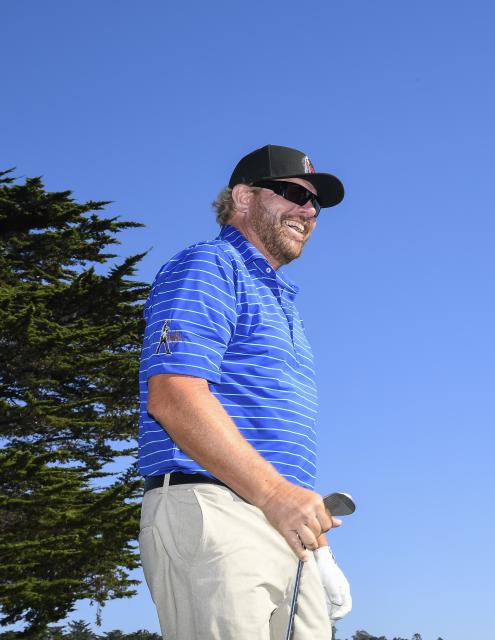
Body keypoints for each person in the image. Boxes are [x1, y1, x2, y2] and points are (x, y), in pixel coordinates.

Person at [137, 144, 351, 639]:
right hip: (216, 510)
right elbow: (173, 395)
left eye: (316, 203)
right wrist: (275, 494)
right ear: (243, 197)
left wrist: (318, 547)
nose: (309, 210)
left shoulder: (284, 302)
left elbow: (272, 444)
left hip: (284, 528)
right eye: (294, 193)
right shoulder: (209, 266)